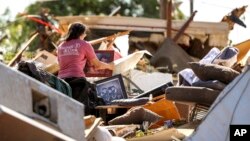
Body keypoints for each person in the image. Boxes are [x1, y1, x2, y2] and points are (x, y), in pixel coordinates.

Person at [57, 22, 113, 115]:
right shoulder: (84, 44)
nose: (85, 35)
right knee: (82, 110)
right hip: (77, 82)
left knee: (65, 111)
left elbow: (61, 64)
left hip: (61, 82)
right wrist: (110, 66)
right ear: (82, 33)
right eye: (85, 34)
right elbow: (98, 65)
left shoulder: (60, 46)